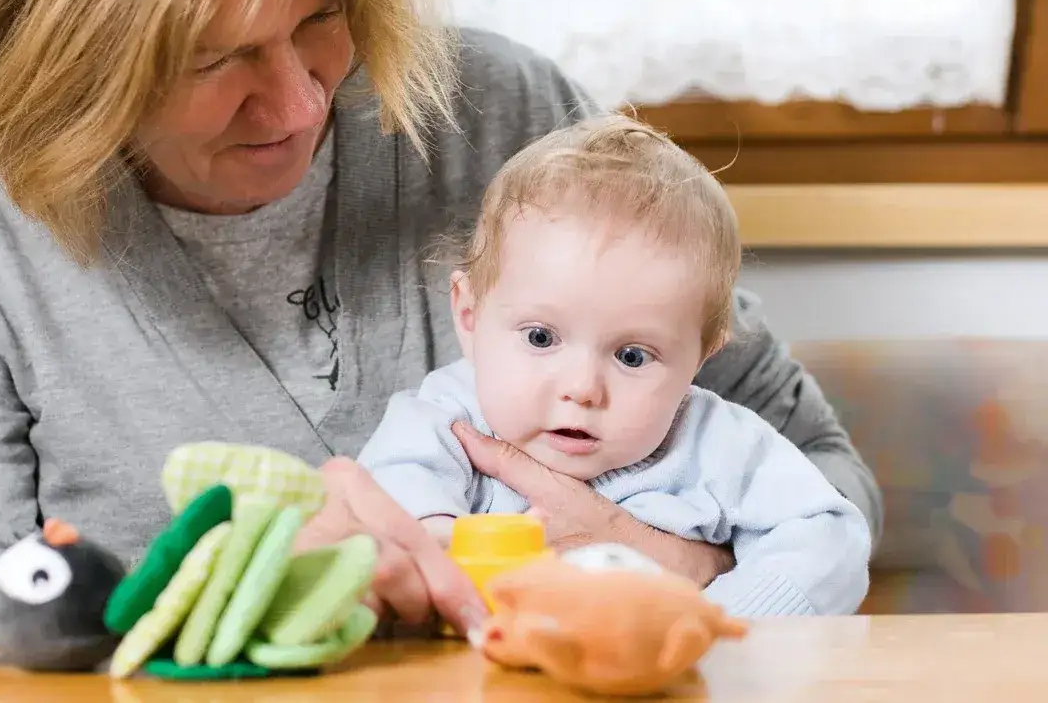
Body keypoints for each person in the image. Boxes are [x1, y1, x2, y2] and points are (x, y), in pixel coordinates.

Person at [0, 0, 882, 638]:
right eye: (215, 59)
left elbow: (830, 486)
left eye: (321, 20)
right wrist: (248, 591)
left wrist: (642, 563)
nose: (300, 103)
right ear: (76, 58)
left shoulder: (505, 115)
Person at [356, 113, 873, 616]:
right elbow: (389, 493)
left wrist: (721, 621)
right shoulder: (447, 418)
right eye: (541, 337)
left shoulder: (715, 444)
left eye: (632, 356)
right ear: (469, 316)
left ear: (700, 358)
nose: (582, 388)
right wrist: (437, 542)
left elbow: (831, 539)